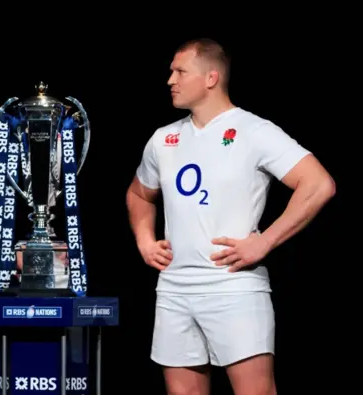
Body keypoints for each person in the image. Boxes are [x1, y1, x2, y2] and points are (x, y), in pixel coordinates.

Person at [126, 38, 335, 395]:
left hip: (233, 287)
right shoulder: (164, 139)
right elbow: (138, 193)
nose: (170, 80)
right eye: (170, 71)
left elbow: (318, 184)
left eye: (180, 71)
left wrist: (264, 241)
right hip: (175, 289)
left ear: (211, 77)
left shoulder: (254, 131)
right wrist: (145, 241)